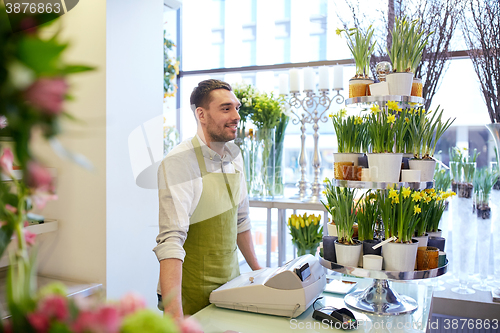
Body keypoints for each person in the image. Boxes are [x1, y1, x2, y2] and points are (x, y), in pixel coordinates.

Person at [153, 79, 262, 320]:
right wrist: (174, 316)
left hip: (230, 289)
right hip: (191, 295)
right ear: (201, 114)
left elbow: (240, 221)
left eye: (237, 107)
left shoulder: (235, 156)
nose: (236, 116)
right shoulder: (180, 162)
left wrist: (261, 273)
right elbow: (171, 240)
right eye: (226, 109)